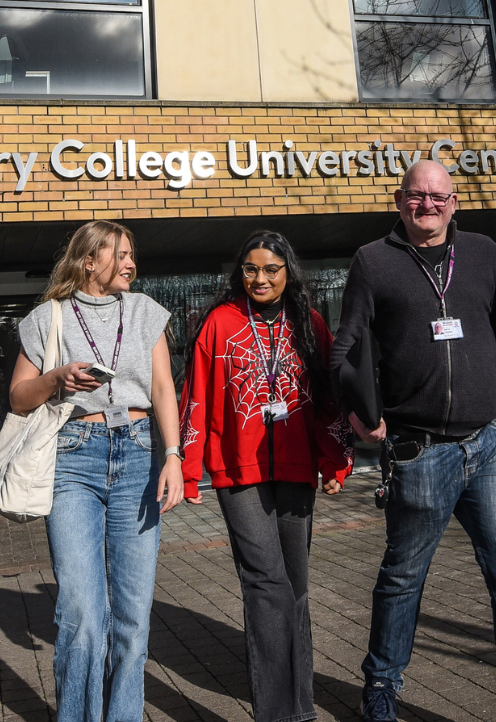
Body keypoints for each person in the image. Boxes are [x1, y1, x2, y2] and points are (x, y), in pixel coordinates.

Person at [331, 160, 496, 722]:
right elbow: (344, 350)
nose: (427, 205)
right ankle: (381, 688)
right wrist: (359, 412)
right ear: (398, 201)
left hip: (486, 447)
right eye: (416, 196)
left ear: (454, 202)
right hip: (418, 452)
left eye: (438, 196)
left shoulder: (485, 253)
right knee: (404, 576)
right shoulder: (373, 261)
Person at [9, 220, 183, 722]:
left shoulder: (146, 311)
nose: (131, 263)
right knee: (82, 614)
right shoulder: (49, 318)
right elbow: (19, 397)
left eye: (132, 254)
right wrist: (55, 378)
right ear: (90, 261)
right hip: (73, 457)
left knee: (131, 617)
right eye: (120, 254)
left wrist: (172, 455)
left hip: (137, 457)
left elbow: (163, 389)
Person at [179, 231, 354, 722]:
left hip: (297, 469)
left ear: (287, 273)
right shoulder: (219, 322)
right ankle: (278, 713)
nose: (259, 278)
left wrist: (333, 462)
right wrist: (191, 471)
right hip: (238, 472)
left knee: (295, 586)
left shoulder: (310, 323)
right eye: (250, 269)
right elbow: (197, 397)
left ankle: (301, 706)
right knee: (266, 582)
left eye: (271, 270)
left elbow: (326, 402)